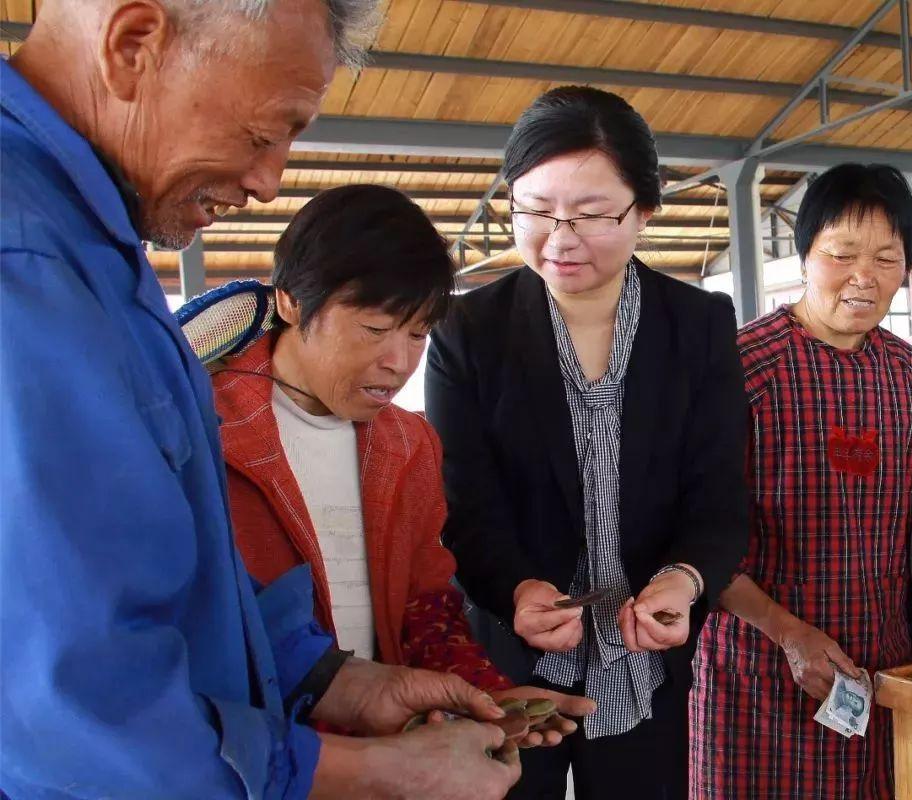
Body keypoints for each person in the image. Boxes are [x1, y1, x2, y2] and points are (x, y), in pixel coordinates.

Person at [0, 2, 520, 798]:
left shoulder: (93, 246)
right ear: (134, 44)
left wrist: (337, 680)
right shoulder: (29, 263)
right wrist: (373, 773)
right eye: (261, 134)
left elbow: (184, 580)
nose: (268, 181)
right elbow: (76, 707)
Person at [425, 85, 750, 799]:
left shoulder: (696, 325)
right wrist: (516, 588)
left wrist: (686, 579)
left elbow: (721, 492)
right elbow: (464, 505)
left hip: (647, 668)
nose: (561, 237)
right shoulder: (466, 334)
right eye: (536, 211)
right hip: (509, 673)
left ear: (645, 212)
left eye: (593, 214)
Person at [208, 184, 594, 739]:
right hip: (248, 754)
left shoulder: (409, 444)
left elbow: (425, 608)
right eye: (373, 329)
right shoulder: (198, 431)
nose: (398, 362)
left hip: (383, 755)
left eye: (418, 335)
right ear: (291, 301)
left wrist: (482, 693)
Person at [690, 163, 912, 799]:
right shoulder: (743, 367)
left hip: (880, 675)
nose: (864, 277)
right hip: (757, 679)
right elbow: (699, 543)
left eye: (886, 258)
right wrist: (789, 633)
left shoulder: (905, 371)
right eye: (842, 253)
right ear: (805, 255)